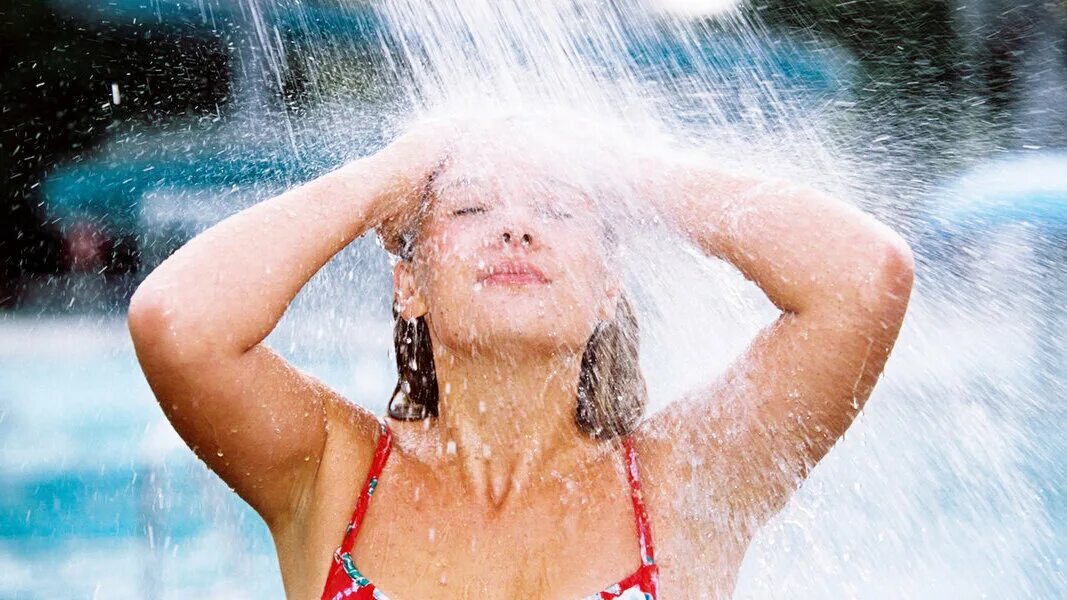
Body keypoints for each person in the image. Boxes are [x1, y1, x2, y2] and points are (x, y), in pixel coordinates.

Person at [127, 116, 914, 599]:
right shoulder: (331, 470)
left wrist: (633, 171)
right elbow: (175, 321)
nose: (514, 229)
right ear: (410, 285)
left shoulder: (683, 484)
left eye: (558, 208)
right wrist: (386, 177)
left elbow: (863, 278)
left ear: (607, 287)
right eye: (469, 207)